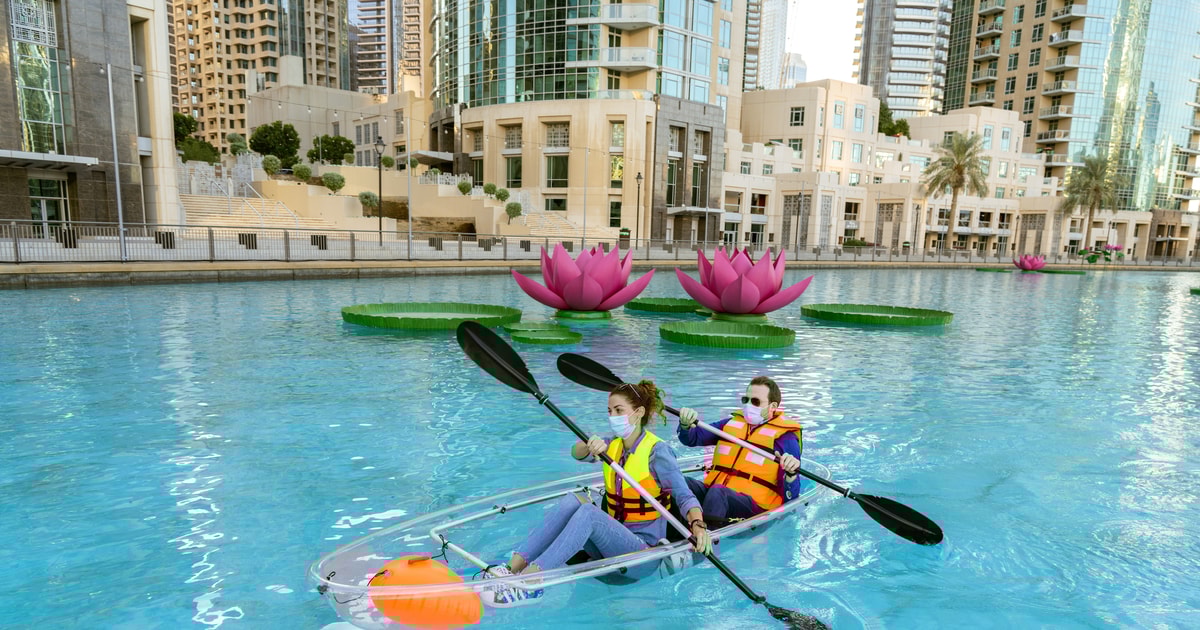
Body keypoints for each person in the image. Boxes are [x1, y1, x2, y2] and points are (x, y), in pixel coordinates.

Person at [480, 380, 713, 608]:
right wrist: (588, 444)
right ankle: (511, 568)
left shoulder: (658, 451)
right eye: (610, 411)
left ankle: (532, 582)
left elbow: (684, 496)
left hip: (643, 555)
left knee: (590, 513)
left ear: (639, 412)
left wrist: (698, 525)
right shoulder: (612, 444)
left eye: (619, 410)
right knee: (574, 500)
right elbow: (576, 453)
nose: (613, 416)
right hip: (610, 546)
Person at [676, 375, 803, 527]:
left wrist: (791, 474)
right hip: (715, 493)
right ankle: (673, 537)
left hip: (755, 506)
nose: (749, 405)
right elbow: (692, 438)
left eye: (756, 402)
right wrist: (685, 425)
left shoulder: (786, 439)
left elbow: (792, 497)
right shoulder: (730, 424)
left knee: (718, 493)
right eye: (746, 400)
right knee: (679, 481)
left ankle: (702, 542)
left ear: (773, 406)